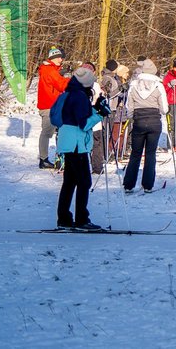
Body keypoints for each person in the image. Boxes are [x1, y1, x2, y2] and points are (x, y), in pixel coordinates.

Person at [55, 66, 105, 230]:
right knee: (84, 181)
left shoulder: (70, 93)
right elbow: (83, 124)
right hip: (76, 144)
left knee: (70, 182)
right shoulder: (80, 96)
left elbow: (78, 115)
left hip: (68, 141)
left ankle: (64, 218)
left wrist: (96, 108)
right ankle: (82, 219)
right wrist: (100, 114)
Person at [123, 59, 169, 193]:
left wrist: (133, 117)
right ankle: (148, 185)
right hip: (154, 122)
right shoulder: (158, 85)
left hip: (139, 121)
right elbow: (164, 108)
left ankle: (128, 185)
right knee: (150, 153)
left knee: (136, 153)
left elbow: (128, 106)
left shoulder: (134, 85)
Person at [37, 46, 70, 169]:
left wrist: (61, 74)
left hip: (52, 105)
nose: (61, 60)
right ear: (54, 58)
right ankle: (43, 159)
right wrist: (73, 80)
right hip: (49, 106)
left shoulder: (50, 70)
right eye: (60, 58)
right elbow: (61, 85)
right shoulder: (49, 70)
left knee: (54, 132)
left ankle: (50, 158)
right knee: (47, 133)